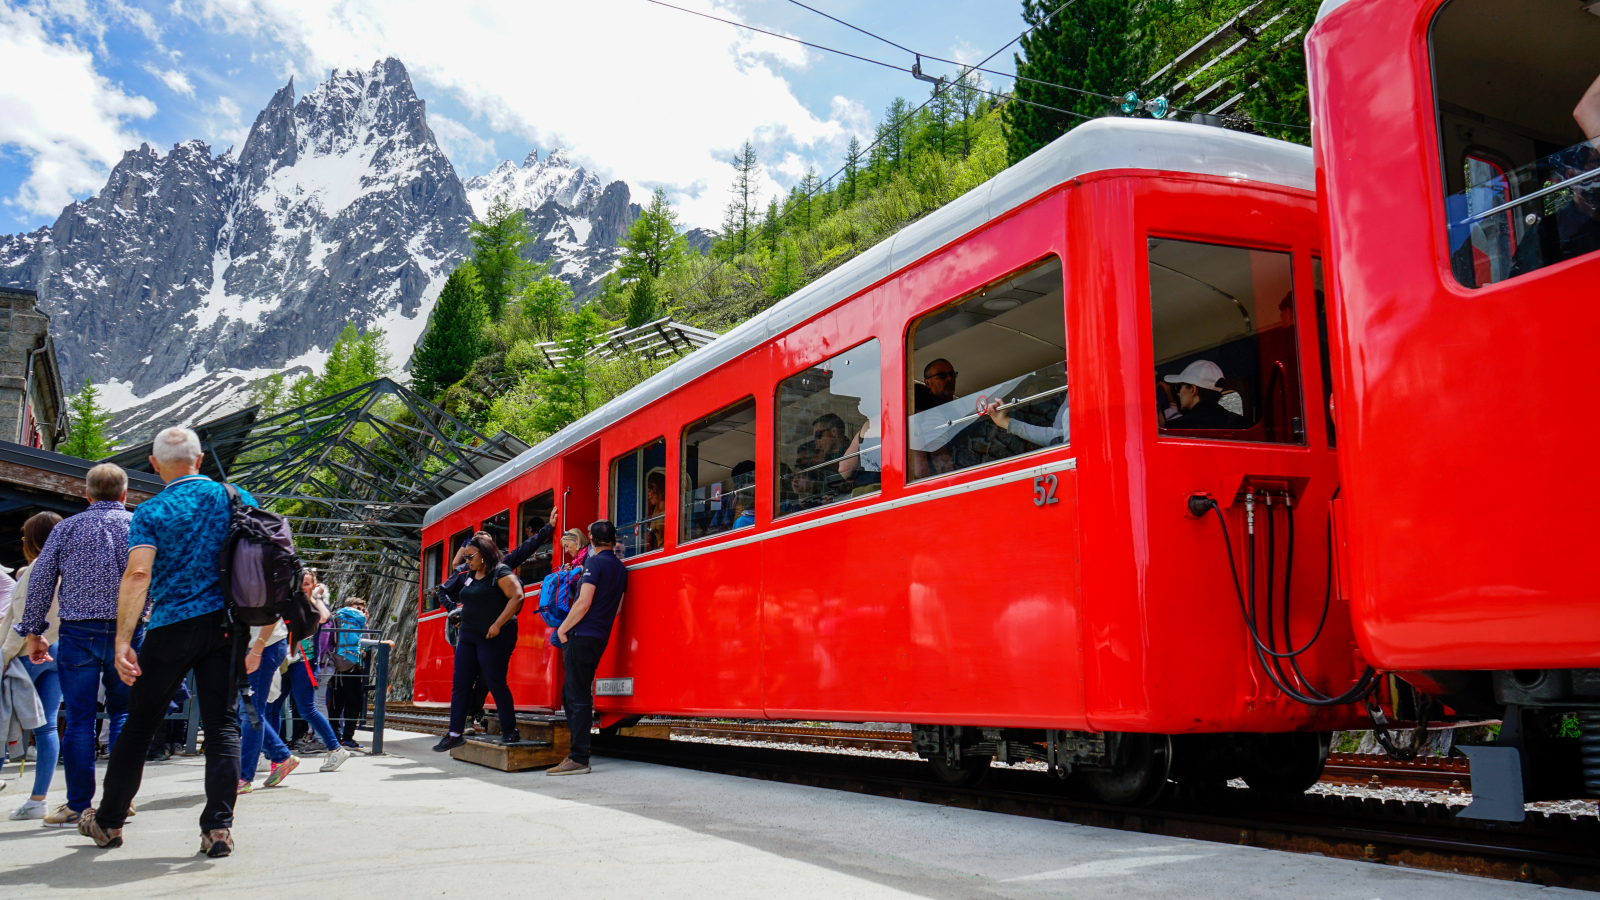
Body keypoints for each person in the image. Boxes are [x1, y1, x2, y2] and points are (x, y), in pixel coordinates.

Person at [78, 427, 256, 856]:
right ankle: (217, 828)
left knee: (139, 724)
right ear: (200, 461)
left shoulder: (152, 511)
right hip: (227, 626)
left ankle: (108, 823)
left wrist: (124, 640)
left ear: (155, 465)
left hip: (171, 627)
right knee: (222, 726)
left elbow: (138, 574)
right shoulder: (236, 498)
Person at [12, 463, 135, 828]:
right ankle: (120, 801)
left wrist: (34, 632)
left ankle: (79, 804)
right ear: (125, 494)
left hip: (78, 632)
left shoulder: (66, 529)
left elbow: (41, 582)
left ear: (87, 493)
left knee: (79, 719)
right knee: (125, 716)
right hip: (127, 632)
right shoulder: (138, 526)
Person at [547, 520, 628, 776]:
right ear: (613, 540)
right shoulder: (621, 568)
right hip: (599, 637)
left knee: (577, 697)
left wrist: (562, 630)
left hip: (581, 635)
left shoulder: (593, 564)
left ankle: (579, 757)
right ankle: (577, 750)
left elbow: (583, 603)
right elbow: (619, 608)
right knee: (570, 695)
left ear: (591, 539)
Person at [433, 535, 523, 752]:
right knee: (460, 683)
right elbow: (466, 598)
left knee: (495, 682)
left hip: (494, 636)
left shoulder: (500, 572)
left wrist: (497, 624)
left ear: (485, 553)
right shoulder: (470, 574)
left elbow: (517, 597)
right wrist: (459, 616)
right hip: (468, 635)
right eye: (465, 557)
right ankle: (455, 733)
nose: (467, 561)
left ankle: (510, 730)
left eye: (471, 556)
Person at [1, 512, 63, 820]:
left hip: (27, 651)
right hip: (61, 649)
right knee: (47, 725)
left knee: (2, 722)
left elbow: (21, 618)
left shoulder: (37, 567)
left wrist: (5, 656)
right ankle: (38, 798)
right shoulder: (71, 568)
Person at [327, 597, 368, 749]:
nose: (361, 611)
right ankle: (348, 738)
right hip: (353, 668)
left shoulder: (337, 618)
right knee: (354, 703)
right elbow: (364, 646)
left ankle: (334, 738)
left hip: (336, 665)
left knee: (336, 704)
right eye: (359, 608)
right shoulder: (358, 622)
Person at [1161, 360, 1248, 430]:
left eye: (1179, 387)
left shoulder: (1177, 427)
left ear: (1193, 390)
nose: (1178, 393)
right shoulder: (1243, 425)